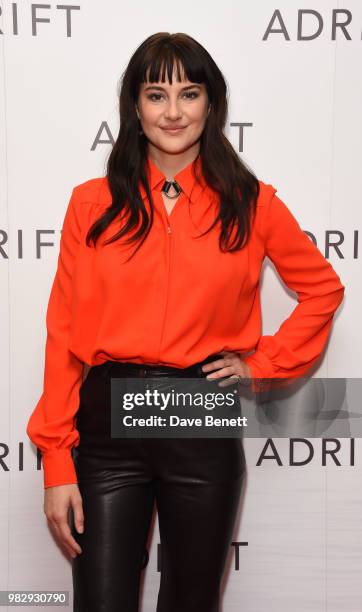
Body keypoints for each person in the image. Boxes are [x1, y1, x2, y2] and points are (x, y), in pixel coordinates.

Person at [26, 32, 345, 612]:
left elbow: (322, 291)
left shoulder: (251, 203)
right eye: (155, 95)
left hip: (200, 415)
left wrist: (261, 363)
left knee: (192, 602)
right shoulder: (91, 205)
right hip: (105, 432)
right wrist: (55, 460)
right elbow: (64, 333)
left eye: (189, 93)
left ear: (211, 104)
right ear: (135, 108)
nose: (173, 112)